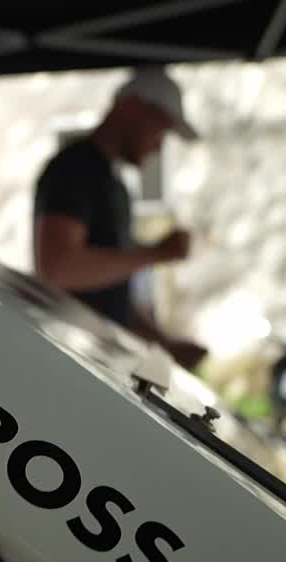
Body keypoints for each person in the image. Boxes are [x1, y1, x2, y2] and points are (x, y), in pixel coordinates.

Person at [32, 65, 207, 370]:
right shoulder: (74, 170)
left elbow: (112, 294)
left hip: (97, 359)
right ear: (131, 107)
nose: (158, 146)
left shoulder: (115, 185)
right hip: (67, 358)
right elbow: (57, 268)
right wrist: (155, 253)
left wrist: (164, 345)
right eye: (160, 129)